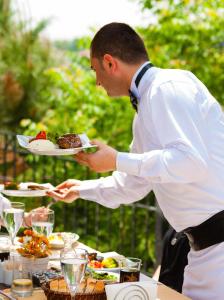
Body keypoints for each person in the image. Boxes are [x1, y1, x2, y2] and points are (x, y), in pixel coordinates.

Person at [48, 22, 224, 300]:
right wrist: (80, 189)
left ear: (109, 63)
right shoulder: (144, 108)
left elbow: (191, 162)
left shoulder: (168, 87)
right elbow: (134, 184)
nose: (97, 82)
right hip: (200, 254)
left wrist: (117, 159)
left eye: (94, 71)